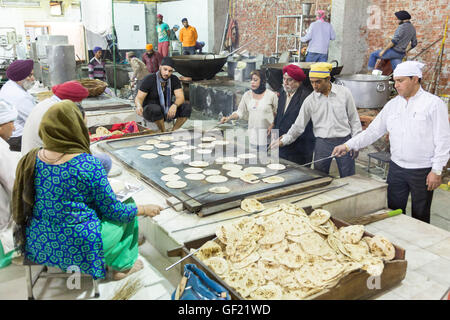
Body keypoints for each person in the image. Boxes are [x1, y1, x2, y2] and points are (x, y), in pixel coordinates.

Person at [12, 100, 163, 280]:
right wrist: (145, 209)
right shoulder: (87, 164)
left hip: (38, 241)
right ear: (75, 129)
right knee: (128, 206)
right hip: (80, 246)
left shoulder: (32, 158)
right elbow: (115, 212)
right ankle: (123, 267)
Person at [332, 61, 450, 223]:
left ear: (415, 79)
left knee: (420, 214)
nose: (396, 85)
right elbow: (373, 131)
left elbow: (443, 139)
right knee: (393, 210)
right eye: (395, 81)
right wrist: (348, 145)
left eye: (401, 81)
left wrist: (436, 170)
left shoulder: (433, 104)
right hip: (396, 169)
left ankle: (416, 246)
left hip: (422, 170)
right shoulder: (393, 105)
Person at [270, 62, 362, 177]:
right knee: (319, 177)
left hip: (344, 141)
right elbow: (298, 126)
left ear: (328, 79)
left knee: (349, 176)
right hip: (322, 143)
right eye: (312, 82)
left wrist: (355, 143)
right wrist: (284, 140)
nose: (314, 86)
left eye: (318, 82)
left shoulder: (344, 93)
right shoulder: (310, 101)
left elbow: (354, 119)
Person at [267, 64, 315, 166]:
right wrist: (273, 126)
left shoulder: (306, 98)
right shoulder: (283, 92)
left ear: (298, 82)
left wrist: (285, 139)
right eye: (284, 79)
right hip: (281, 143)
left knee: (296, 175)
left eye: (289, 80)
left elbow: (304, 126)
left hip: (299, 147)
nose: (285, 83)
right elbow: (280, 115)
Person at [220, 70, 278, 149]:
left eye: (255, 80)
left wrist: (273, 124)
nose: (252, 82)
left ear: (263, 81)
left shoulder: (271, 96)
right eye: (251, 80)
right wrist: (228, 118)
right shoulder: (247, 95)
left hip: (268, 137)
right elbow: (240, 112)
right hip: (253, 137)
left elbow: (278, 113)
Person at [134, 57, 191, 132]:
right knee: (156, 109)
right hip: (150, 109)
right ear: (160, 67)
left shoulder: (174, 79)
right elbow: (139, 98)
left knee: (187, 107)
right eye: (165, 69)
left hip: (167, 108)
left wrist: (175, 105)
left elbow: (180, 97)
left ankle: (173, 131)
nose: (167, 73)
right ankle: (163, 132)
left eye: (170, 71)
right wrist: (138, 106)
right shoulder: (149, 79)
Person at [0, 59, 36, 152]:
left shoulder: (10, 85)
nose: (33, 79)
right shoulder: (19, 96)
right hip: (18, 139)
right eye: (30, 75)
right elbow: (35, 120)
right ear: (20, 78)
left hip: (11, 136)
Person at [0, 99, 18, 257]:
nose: (14, 127)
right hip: (3, 222)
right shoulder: (1, 150)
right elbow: (15, 186)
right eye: (10, 122)